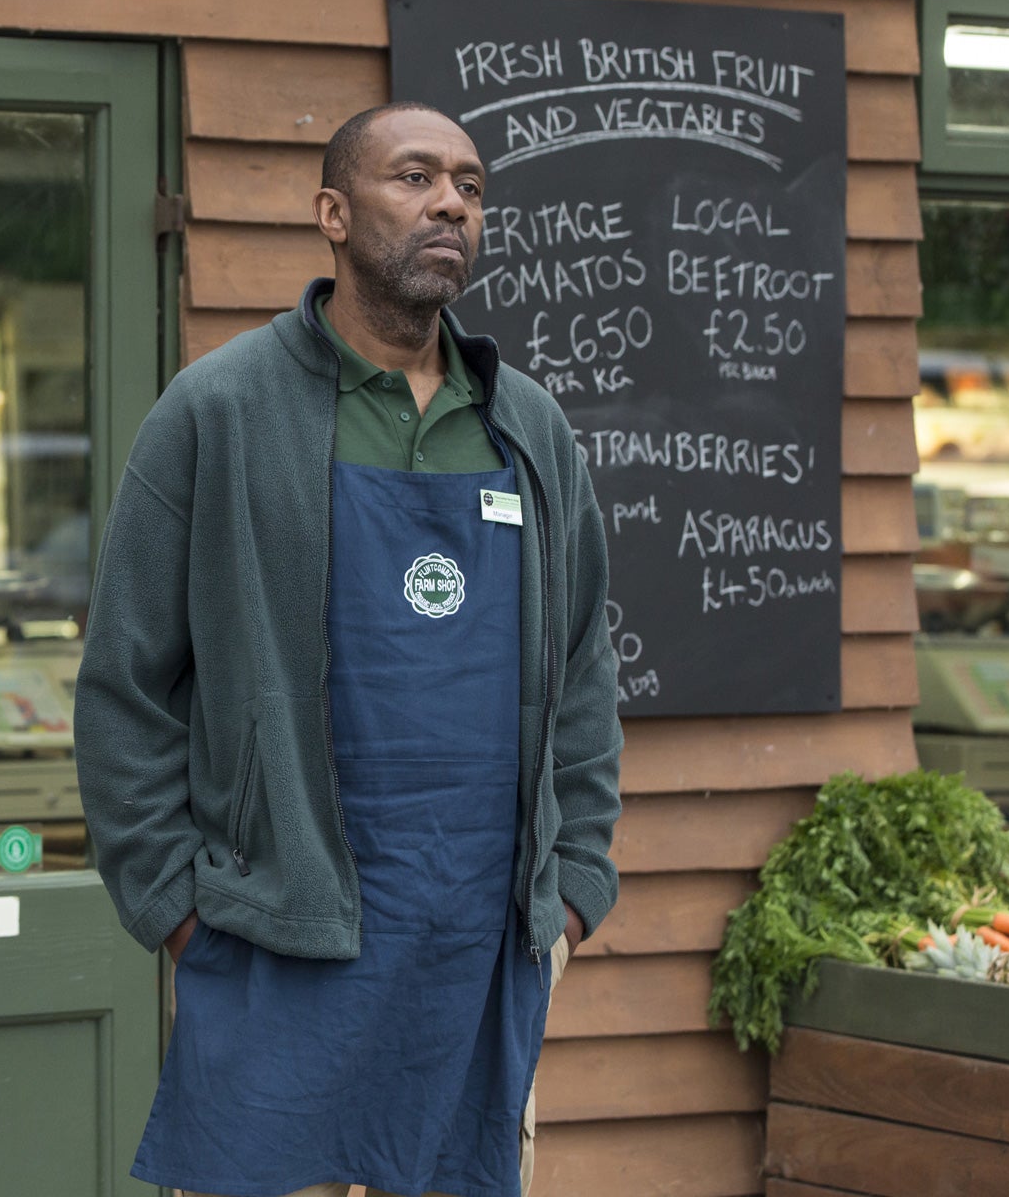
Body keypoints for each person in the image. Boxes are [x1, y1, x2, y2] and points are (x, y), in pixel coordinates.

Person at [73, 102, 623, 1197]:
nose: (449, 205)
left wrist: (571, 892)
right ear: (332, 214)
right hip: (276, 944)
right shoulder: (219, 413)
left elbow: (581, 676)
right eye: (413, 177)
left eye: (468, 186)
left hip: (478, 953)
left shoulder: (523, 427)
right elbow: (123, 685)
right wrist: (181, 912)